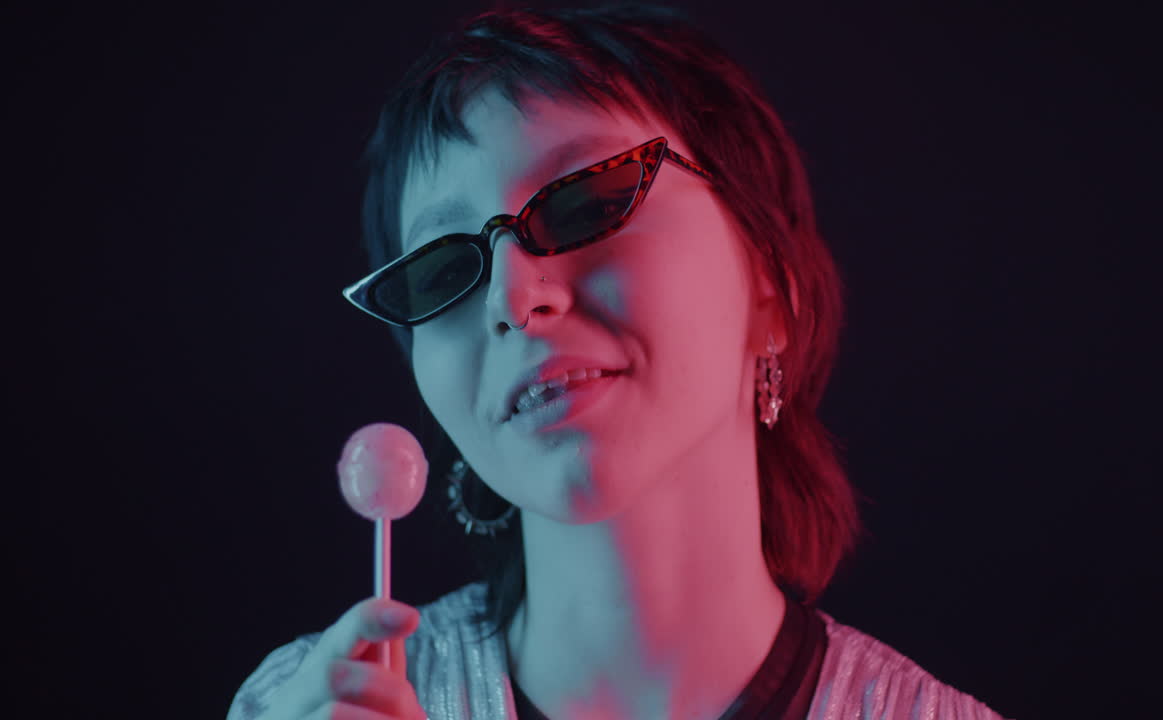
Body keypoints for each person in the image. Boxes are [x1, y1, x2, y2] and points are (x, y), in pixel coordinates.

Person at [229, 5, 1012, 719]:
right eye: (442, 271)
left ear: (770, 285)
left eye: (586, 202)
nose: (512, 297)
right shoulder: (307, 705)